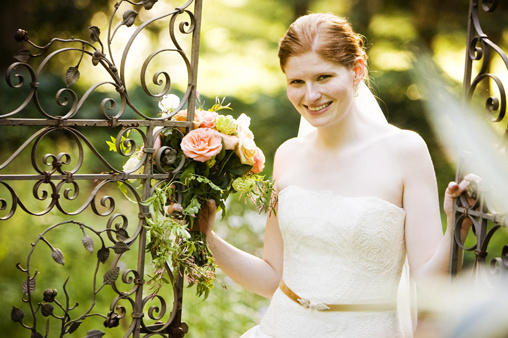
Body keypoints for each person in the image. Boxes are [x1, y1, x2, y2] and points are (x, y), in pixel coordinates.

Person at [196, 12, 471, 337]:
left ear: (357, 71)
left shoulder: (406, 152)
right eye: (296, 82)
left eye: (323, 77)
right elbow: (272, 277)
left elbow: (427, 284)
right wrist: (206, 236)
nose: (310, 96)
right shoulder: (288, 154)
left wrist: (457, 226)